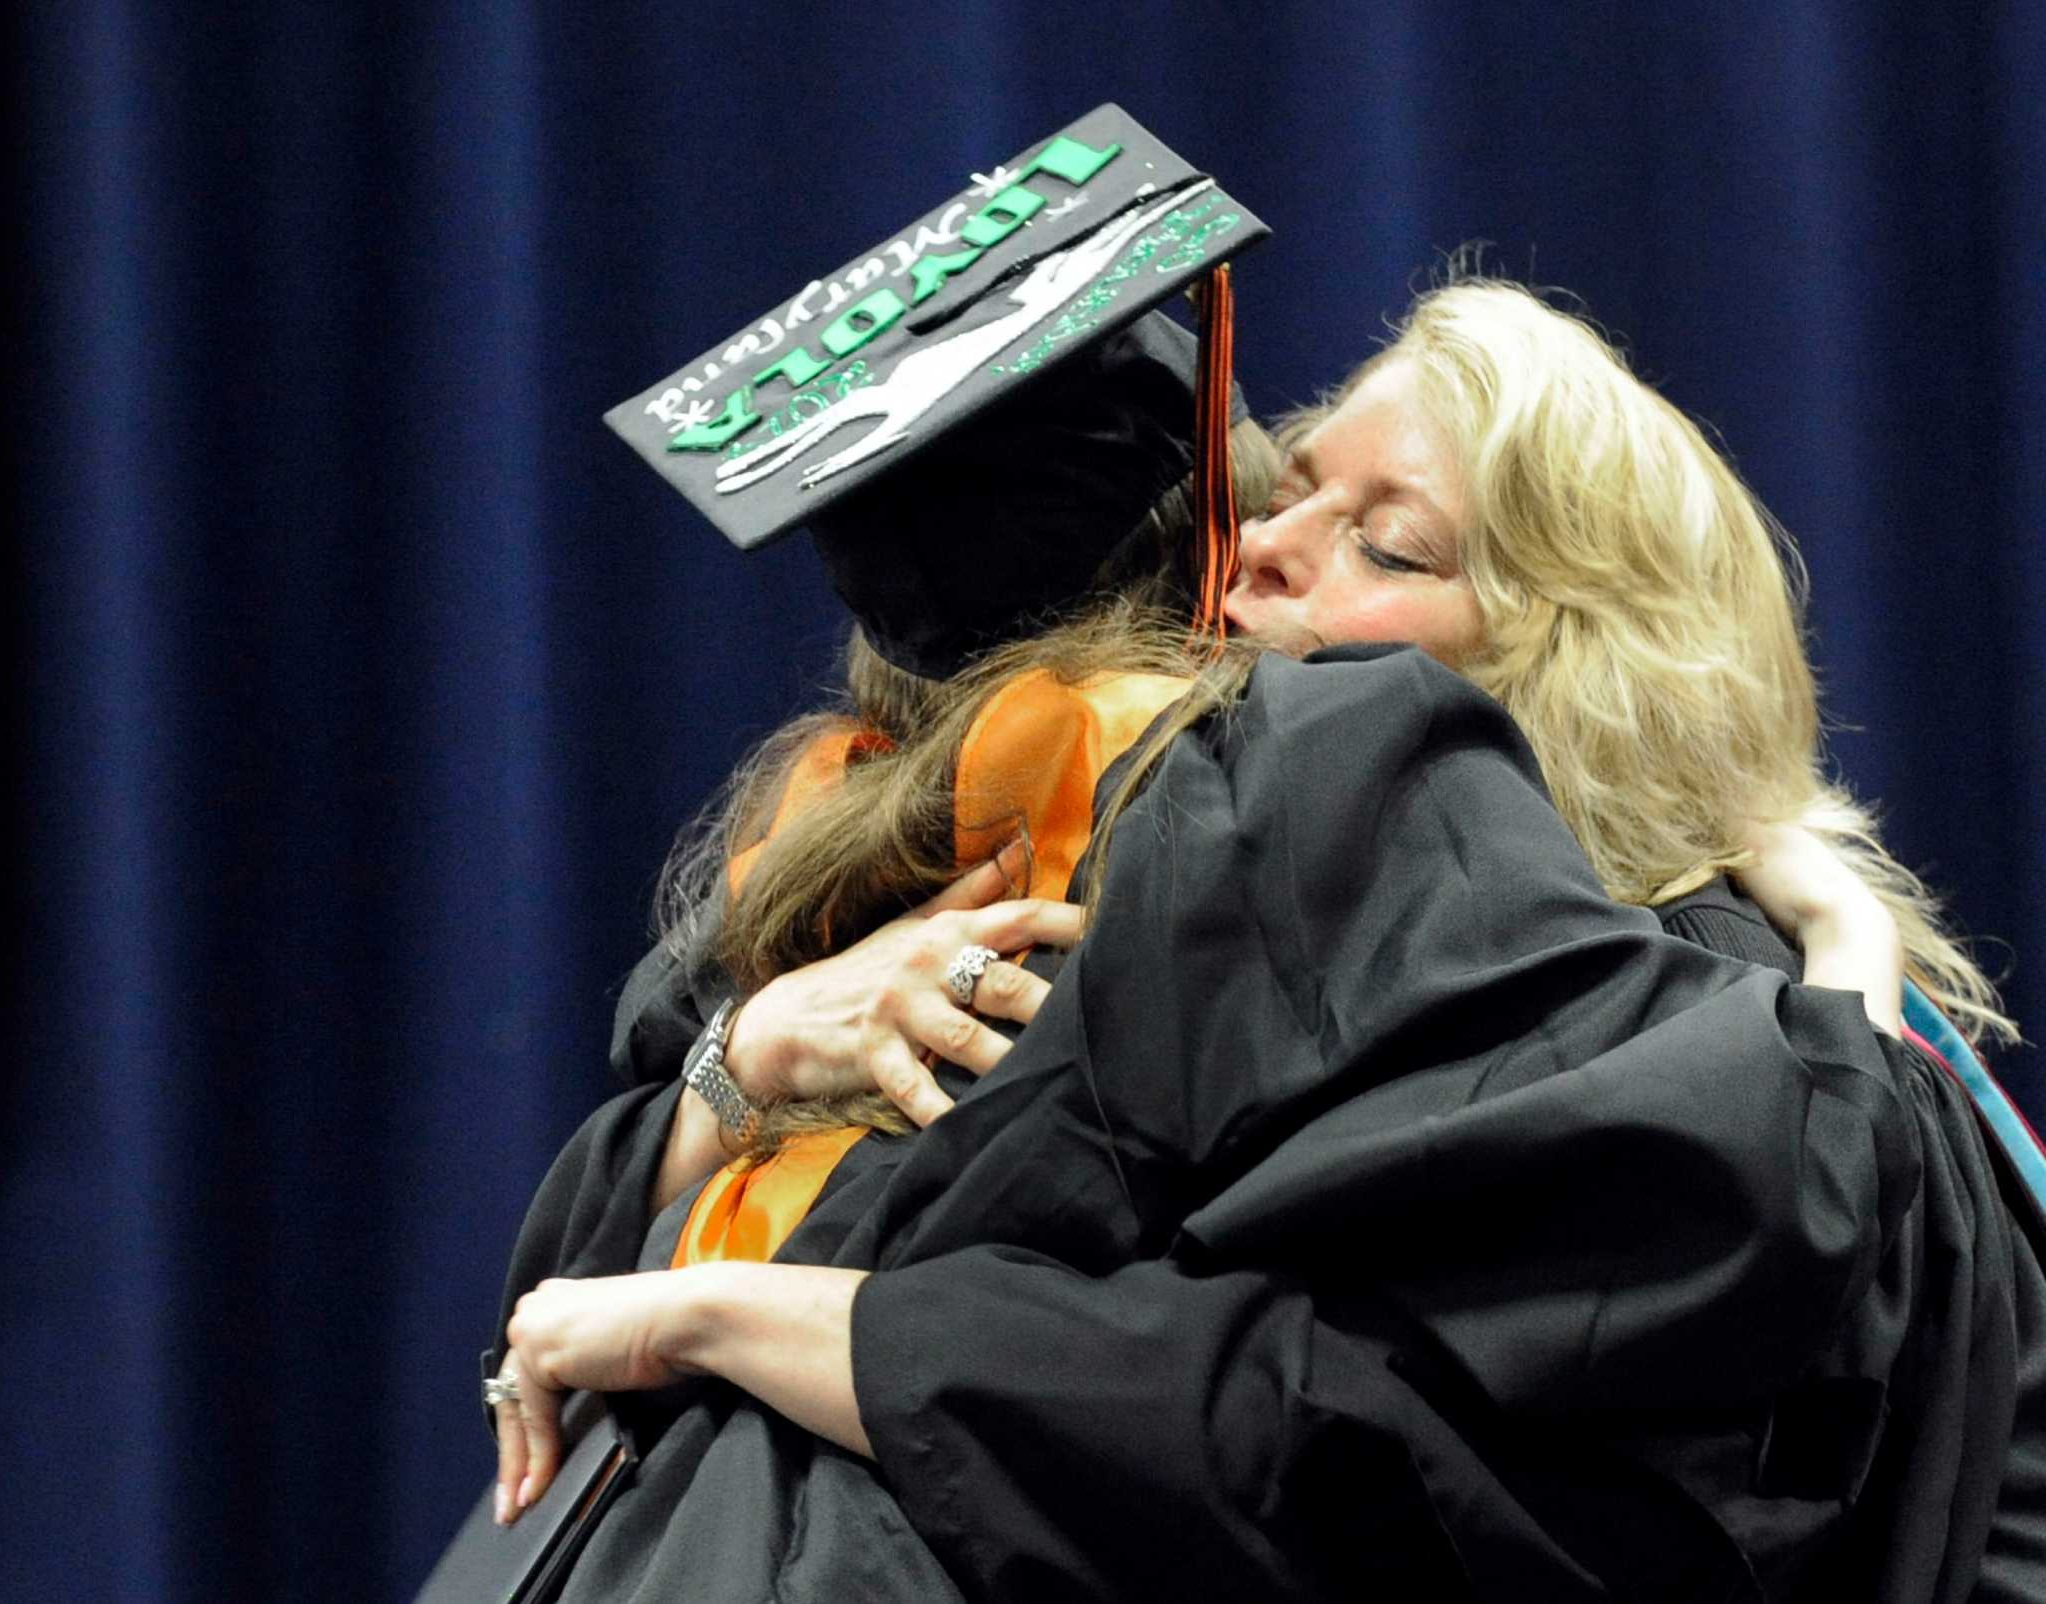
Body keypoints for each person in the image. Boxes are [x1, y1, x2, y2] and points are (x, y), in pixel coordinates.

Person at [490, 279, 2042, 1600]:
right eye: (1287, 483)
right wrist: (745, 1055)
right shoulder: (1143, 872)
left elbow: (1373, 1453)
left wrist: (768, 1322)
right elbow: (560, 1337)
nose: (1261, 549)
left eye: (1394, 546)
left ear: (1584, 664)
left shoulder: (1697, 1006)